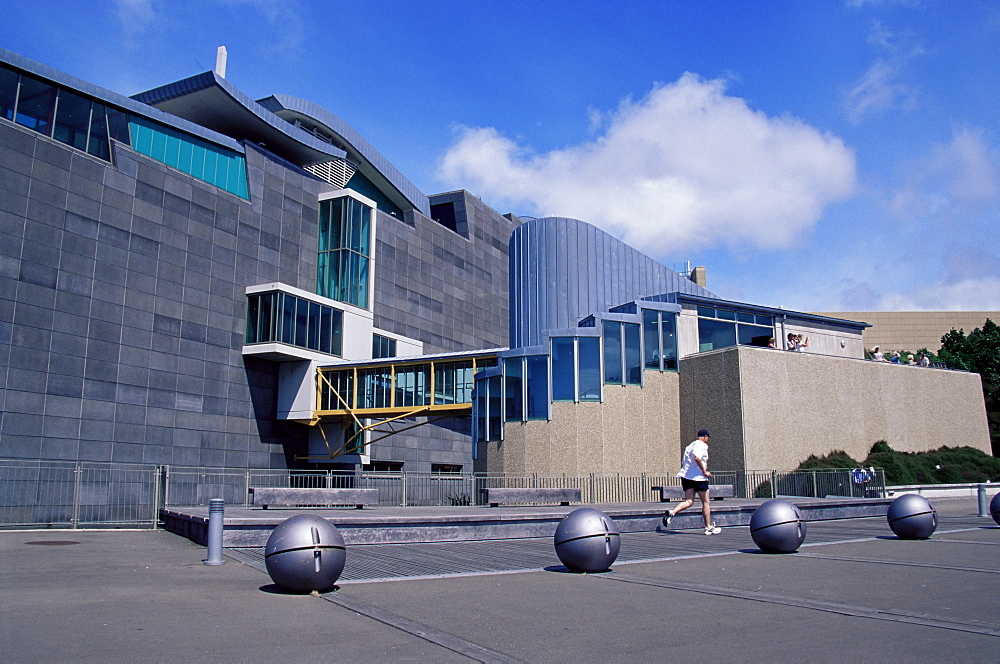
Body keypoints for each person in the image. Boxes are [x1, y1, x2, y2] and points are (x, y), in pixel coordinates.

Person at [662, 429, 721, 535]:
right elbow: (697, 458)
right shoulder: (702, 445)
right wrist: (705, 471)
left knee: (689, 501)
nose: (707, 439)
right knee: (706, 502)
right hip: (699, 477)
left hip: (686, 477)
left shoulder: (689, 446)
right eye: (707, 437)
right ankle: (708, 527)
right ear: (705, 437)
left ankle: (673, 512)